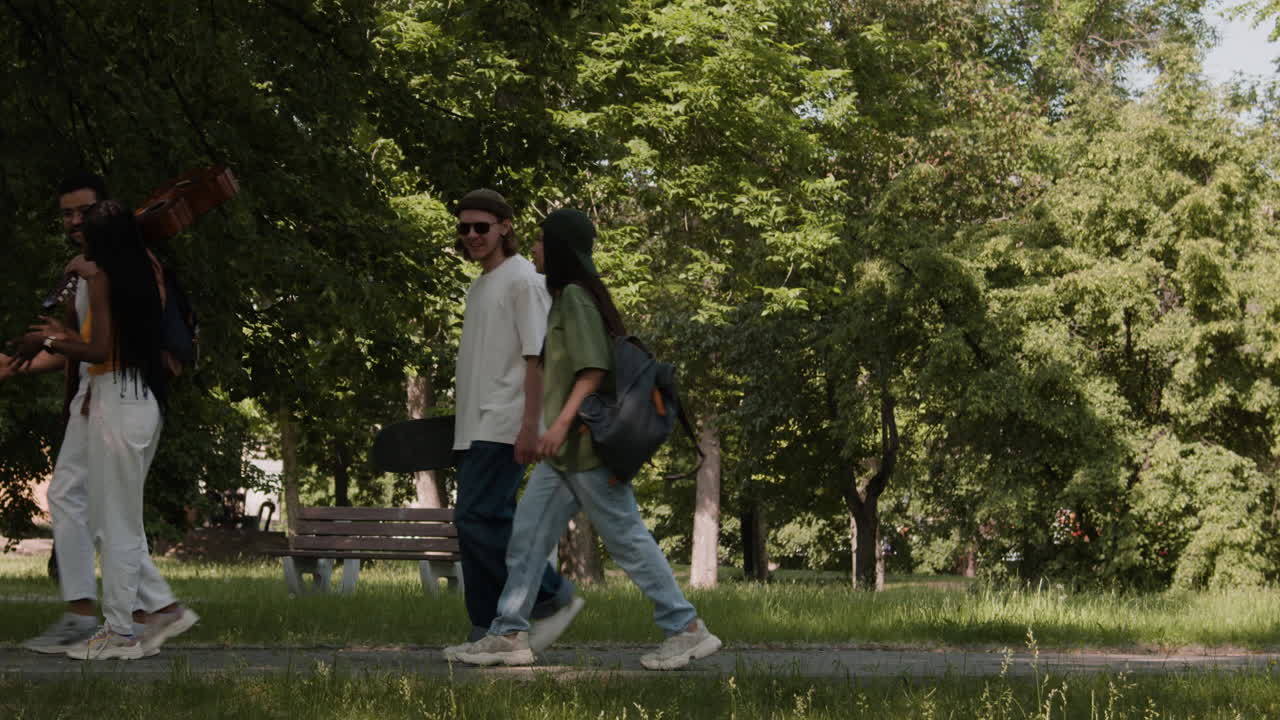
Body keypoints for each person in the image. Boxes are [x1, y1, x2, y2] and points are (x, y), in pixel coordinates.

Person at [453, 208, 722, 670]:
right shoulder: (564, 297)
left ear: (559, 248)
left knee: (628, 540)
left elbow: (593, 369)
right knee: (526, 539)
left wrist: (555, 427)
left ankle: (687, 628)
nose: (535, 249)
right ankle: (509, 633)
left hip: (585, 451)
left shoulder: (575, 297)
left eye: (541, 242)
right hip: (563, 458)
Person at [8, 197, 197, 660]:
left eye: (87, 235)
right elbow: (105, 347)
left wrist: (48, 339)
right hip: (129, 400)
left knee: (116, 524)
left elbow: (97, 350)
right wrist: (64, 334)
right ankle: (130, 629)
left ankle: (121, 632)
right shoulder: (133, 275)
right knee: (117, 521)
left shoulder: (106, 278)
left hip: (121, 403)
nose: (79, 240)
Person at [442, 189, 581, 661]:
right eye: (464, 228)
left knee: (481, 517)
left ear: (505, 226)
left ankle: (551, 594)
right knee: (472, 525)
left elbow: (537, 357)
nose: (472, 236)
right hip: (474, 424)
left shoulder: (524, 280)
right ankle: (487, 631)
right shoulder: (482, 285)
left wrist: (530, 426)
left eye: (481, 227)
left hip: (505, 421)